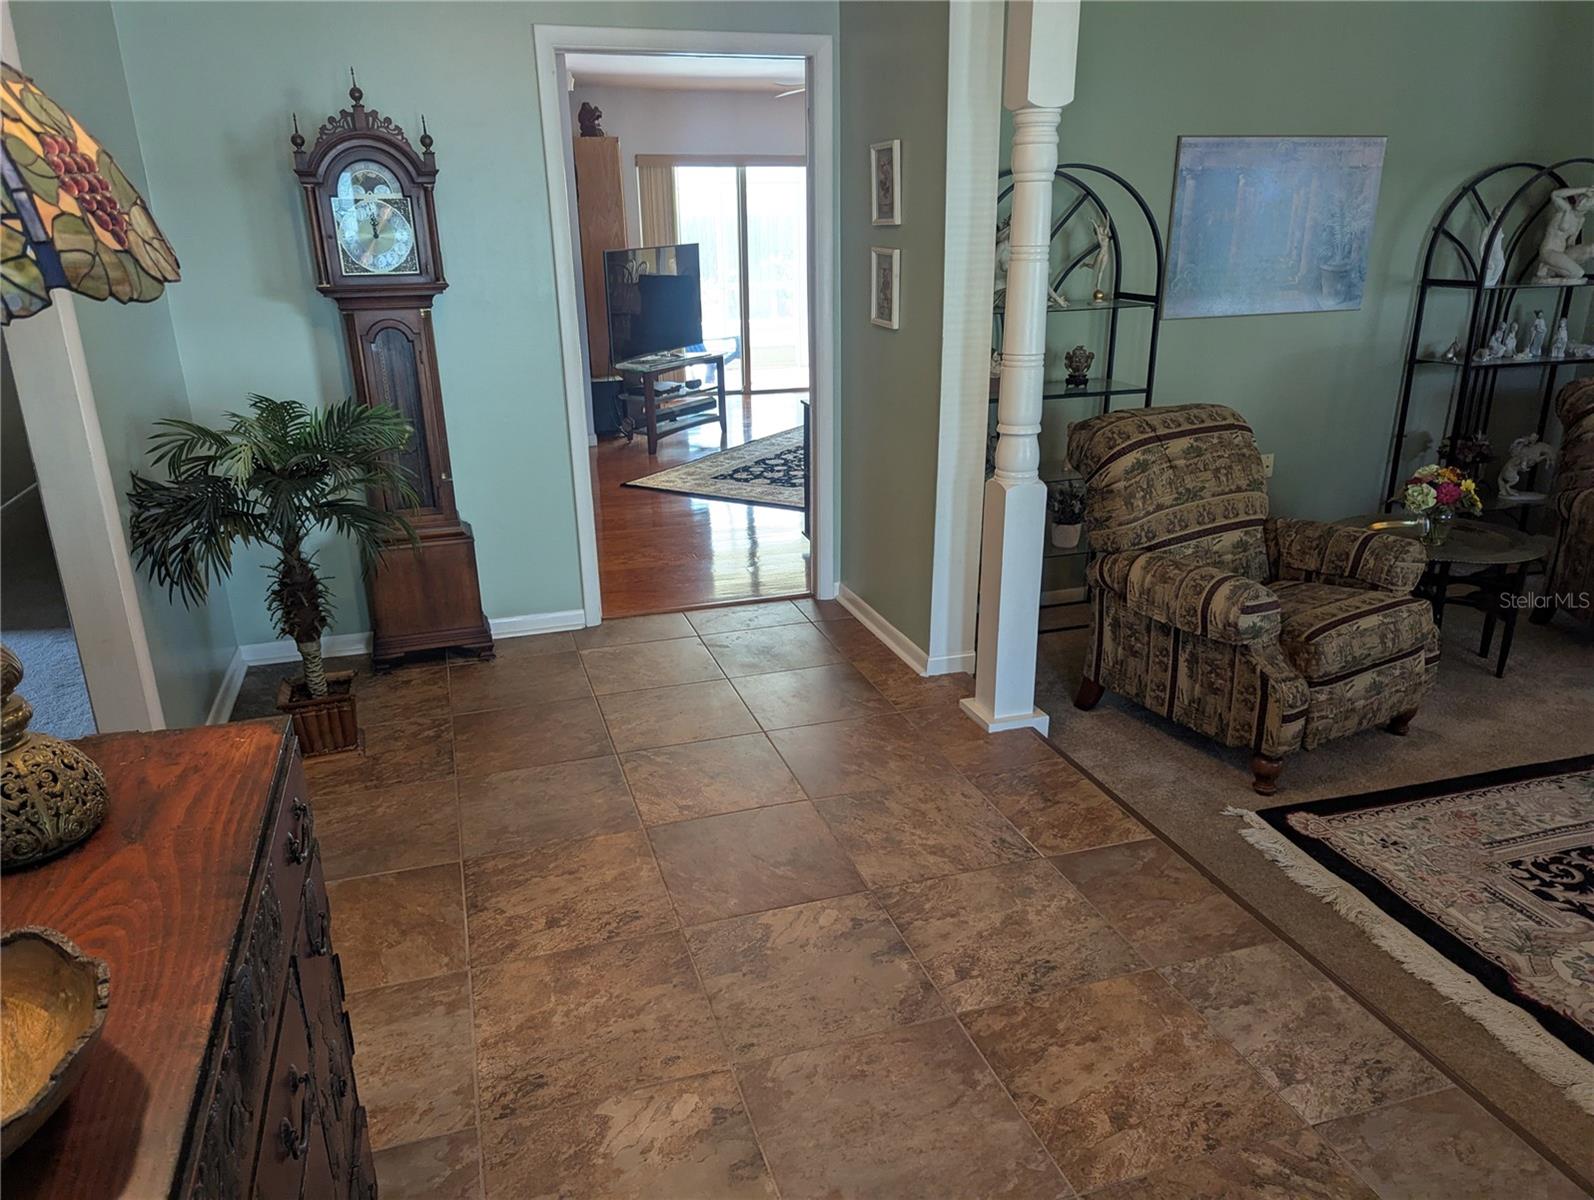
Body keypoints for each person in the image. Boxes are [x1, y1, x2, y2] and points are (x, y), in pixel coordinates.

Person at [1534, 186, 1594, 282]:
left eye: (1586, 202)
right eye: (1581, 198)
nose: (1581, 202)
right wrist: (1584, 189)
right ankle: (1548, 267)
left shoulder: (1581, 220)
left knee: (1592, 248)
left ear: (1590, 208)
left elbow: (1571, 243)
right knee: (1578, 273)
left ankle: (1550, 268)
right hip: (1549, 251)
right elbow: (1555, 194)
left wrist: (1584, 252)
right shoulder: (1565, 209)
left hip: (1562, 253)